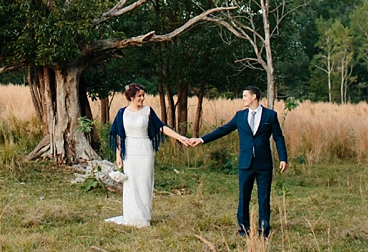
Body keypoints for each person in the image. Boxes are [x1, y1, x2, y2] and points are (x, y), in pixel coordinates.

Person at [190, 85, 287, 237]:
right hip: (245, 163)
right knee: (244, 196)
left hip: (264, 164)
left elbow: (278, 137)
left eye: (245, 96)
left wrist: (283, 158)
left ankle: (264, 230)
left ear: (254, 97)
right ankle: (244, 229)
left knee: (263, 197)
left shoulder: (270, 115)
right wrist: (202, 139)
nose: (242, 99)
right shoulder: (240, 116)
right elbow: (223, 130)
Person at [106, 83, 192, 227]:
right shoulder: (122, 113)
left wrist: (179, 137)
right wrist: (118, 155)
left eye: (143, 95)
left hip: (144, 150)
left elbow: (161, 127)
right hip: (130, 151)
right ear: (131, 97)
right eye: (139, 96)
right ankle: (132, 217)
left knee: (144, 182)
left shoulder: (148, 111)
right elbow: (119, 136)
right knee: (131, 183)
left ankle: (144, 216)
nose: (142, 98)